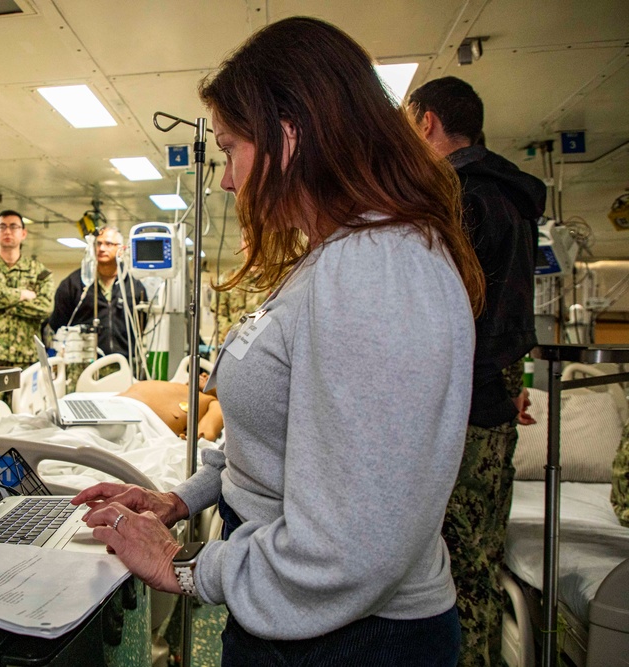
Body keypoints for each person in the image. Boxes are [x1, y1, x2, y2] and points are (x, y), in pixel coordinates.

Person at [72, 17, 486, 666]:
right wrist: (181, 499)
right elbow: (279, 446)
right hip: (298, 604)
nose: (226, 180)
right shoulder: (334, 259)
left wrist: (186, 565)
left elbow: (351, 548)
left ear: (288, 137)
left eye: (231, 147)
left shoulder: (376, 266)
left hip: (350, 635)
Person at [408, 76, 547, 667]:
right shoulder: (515, 198)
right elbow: (508, 310)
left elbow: (443, 314)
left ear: (428, 123)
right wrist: (508, 384)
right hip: (495, 395)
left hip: (462, 403)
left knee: (452, 566)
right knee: (482, 557)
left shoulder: (456, 197)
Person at [0, 210, 54, 368]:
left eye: (13, 227)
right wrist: (22, 294)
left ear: (23, 233)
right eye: (2, 227)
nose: (7, 231)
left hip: (25, 358)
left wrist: (0, 302)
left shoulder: (40, 272)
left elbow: (45, 308)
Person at [49, 227, 148, 364]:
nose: (102, 248)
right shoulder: (73, 284)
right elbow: (58, 323)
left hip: (124, 363)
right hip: (82, 364)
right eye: (98, 244)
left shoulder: (133, 286)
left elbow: (142, 325)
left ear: (121, 249)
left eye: (108, 244)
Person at [118, 373, 223, 441]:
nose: (205, 375)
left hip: (133, 424)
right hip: (112, 406)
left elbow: (204, 436)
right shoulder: (170, 385)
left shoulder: (212, 402)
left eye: (215, 377)